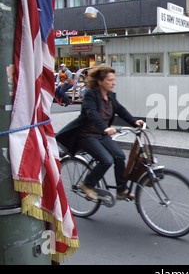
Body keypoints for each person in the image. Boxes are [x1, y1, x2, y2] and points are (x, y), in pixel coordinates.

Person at [56, 65, 144, 200]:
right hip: (86, 135)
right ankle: (87, 185)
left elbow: (121, 110)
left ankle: (121, 190)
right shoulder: (90, 94)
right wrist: (105, 128)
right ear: (100, 81)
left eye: (114, 80)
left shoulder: (110, 96)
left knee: (120, 156)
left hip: (100, 135)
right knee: (106, 160)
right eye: (110, 80)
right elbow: (91, 113)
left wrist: (134, 122)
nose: (113, 83)